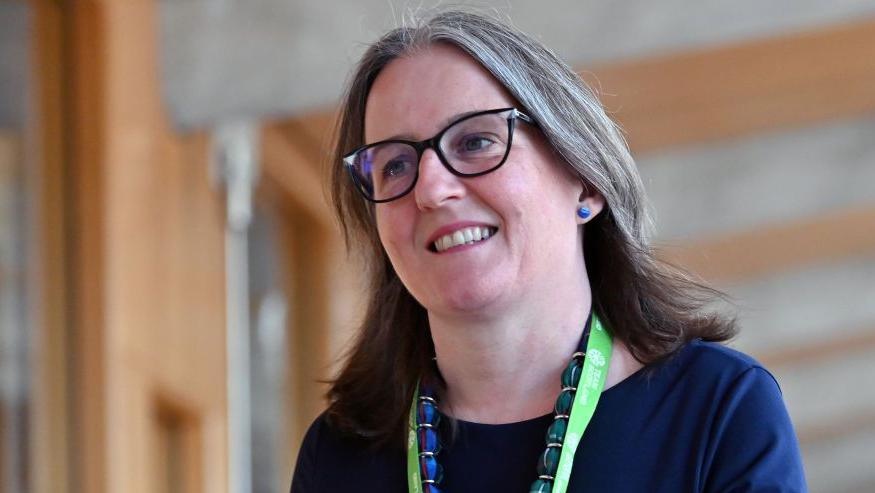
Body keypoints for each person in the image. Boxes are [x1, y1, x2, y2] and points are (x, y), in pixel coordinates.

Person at [290, 10, 807, 493]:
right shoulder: (338, 456)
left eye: (475, 142)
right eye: (395, 165)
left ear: (584, 182)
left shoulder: (716, 409)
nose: (431, 189)